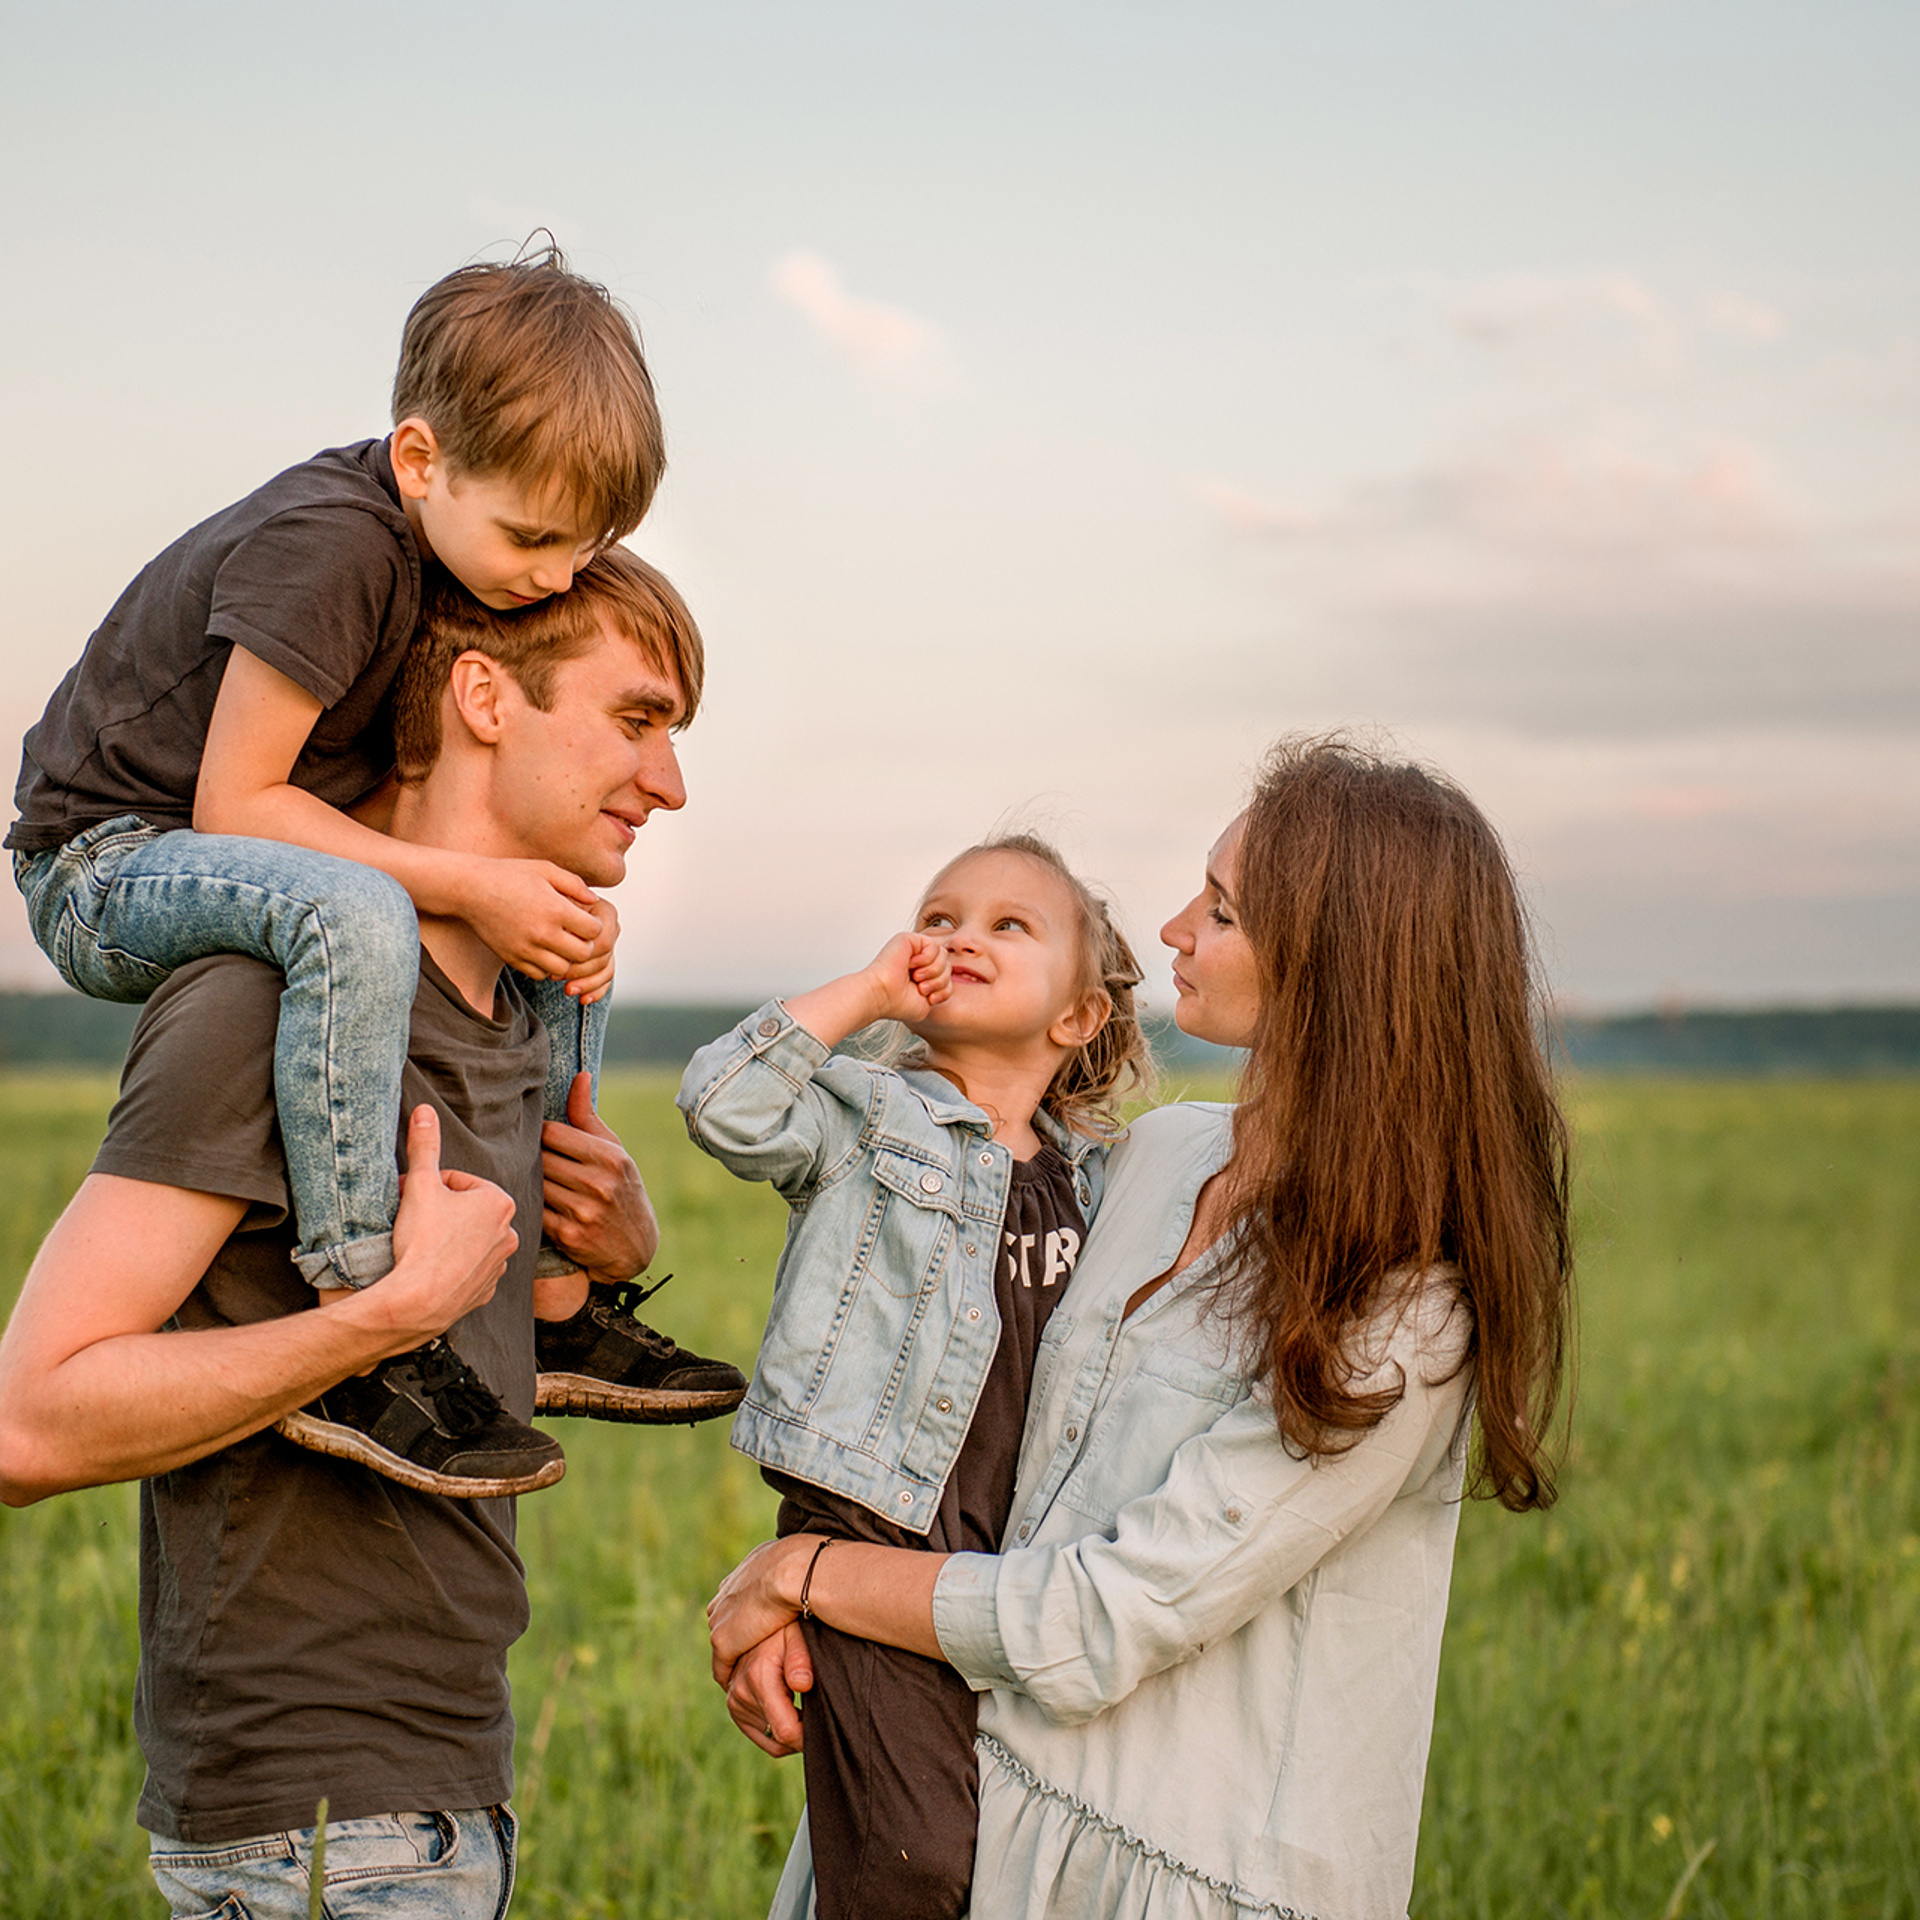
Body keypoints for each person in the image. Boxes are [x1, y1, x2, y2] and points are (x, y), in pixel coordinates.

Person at [708, 738, 1573, 1920]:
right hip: (967, 1800)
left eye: (1219, 909)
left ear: (1335, 965)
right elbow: (942, 1305)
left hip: (1179, 1877)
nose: (1169, 930)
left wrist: (805, 1575)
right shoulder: (1156, 1158)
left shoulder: (1407, 1310)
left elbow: (1098, 1616)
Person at [0, 547, 737, 1919]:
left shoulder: (523, 1017)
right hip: (311, 1841)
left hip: (457, 1796)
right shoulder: (257, 1003)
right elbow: (28, 1426)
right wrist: (377, 1320)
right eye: (638, 721)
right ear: (481, 696)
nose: (671, 783)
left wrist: (586, 1270)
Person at [5, 244, 721, 1495]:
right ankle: (364, 1308)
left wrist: (512, 896)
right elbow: (235, 803)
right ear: (419, 461)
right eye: (536, 537)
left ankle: (554, 1305)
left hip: (203, 842)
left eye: (588, 542)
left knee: (564, 928)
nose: (558, 575)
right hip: (108, 861)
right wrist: (464, 883)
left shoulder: (443, 547)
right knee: (368, 911)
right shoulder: (331, 547)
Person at [679, 836, 1150, 1919]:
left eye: (1007, 924)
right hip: (876, 1531)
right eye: (940, 918)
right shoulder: (866, 1115)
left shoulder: (1095, 1175)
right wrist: (868, 991)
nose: (958, 937)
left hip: (1020, 1556)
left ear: (1078, 1016)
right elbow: (724, 1104)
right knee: (917, 1861)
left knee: (1007, 1847)